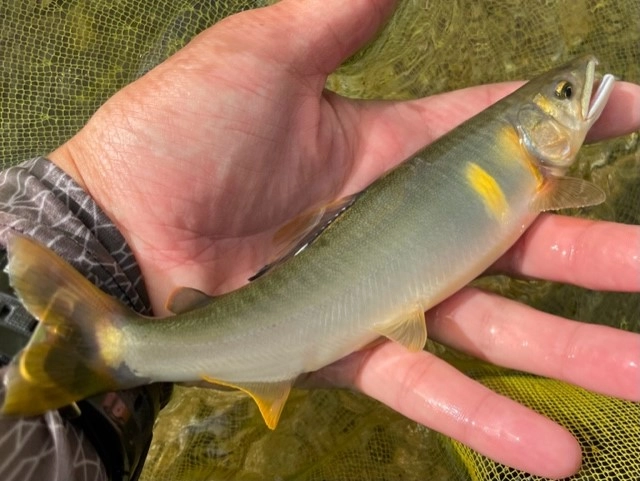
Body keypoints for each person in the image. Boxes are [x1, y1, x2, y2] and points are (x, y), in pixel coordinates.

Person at [0, 1, 639, 480]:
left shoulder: (531, 170)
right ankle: (114, 346)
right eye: (564, 94)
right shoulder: (536, 172)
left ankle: (111, 347)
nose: (577, 91)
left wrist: (88, 222)